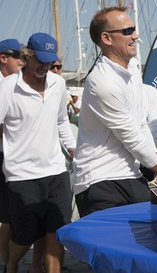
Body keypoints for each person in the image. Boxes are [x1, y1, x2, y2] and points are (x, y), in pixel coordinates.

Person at [72, 6, 157, 217]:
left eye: (134, 29)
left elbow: (141, 126)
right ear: (106, 38)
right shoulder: (102, 81)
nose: (136, 35)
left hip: (130, 175)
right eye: (127, 31)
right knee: (106, 250)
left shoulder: (132, 71)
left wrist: (155, 167)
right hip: (100, 180)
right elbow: (131, 137)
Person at [0, 33, 76, 273]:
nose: (45, 66)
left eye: (50, 61)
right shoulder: (8, 88)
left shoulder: (57, 83)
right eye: (40, 60)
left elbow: (62, 120)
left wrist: (72, 148)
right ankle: (12, 264)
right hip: (22, 174)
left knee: (56, 231)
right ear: (27, 56)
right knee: (24, 236)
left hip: (56, 170)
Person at [0, 39, 24, 269]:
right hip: (4, 156)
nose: (21, 60)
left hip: (20, 156)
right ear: (3, 58)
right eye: (17, 55)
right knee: (6, 216)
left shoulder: (20, 83)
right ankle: (7, 263)